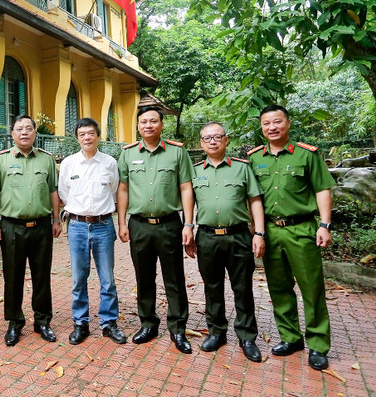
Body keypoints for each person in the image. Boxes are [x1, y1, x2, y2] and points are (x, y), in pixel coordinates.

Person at [248, 105, 335, 371]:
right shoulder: (254, 158)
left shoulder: (307, 154)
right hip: (270, 231)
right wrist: (256, 231)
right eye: (266, 123)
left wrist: (324, 225)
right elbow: (252, 197)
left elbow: (322, 189)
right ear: (261, 127)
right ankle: (290, 337)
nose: (272, 127)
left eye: (277, 122)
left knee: (311, 287)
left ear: (288, 123)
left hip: (301, 229)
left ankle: (318, 344)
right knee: (279, 287)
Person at [116, 105, 195, 353]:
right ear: (138, 126)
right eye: (143, 122)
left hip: (169, 224)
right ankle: (148, 324)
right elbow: (123, 189)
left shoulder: (177, 153)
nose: (148, 125)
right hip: (139, 225)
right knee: (144, 277)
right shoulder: (128, 154)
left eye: (153, 121)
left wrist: (188, 223)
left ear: (161, 125)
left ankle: (178, 328)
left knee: (174, 278)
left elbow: (186, 188)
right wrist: (122, 222)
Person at [188, 122, 265, 362]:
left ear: (226, 140)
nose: (212, 141)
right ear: (201, 143)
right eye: (207, 138)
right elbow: (187, 203)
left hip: (238, 235)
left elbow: (255, 200)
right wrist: (188, 229)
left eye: (217, 137)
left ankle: (247, 336)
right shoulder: (194, 171)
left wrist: (259, 233)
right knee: (212, 287)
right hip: (207, 236)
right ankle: (216, 332)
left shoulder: (242, 168)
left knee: (242, 287)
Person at [0, 114, 61, 347]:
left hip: (41, 226)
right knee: (13, 276)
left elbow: (53, 190)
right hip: (12, 226)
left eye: (29, 128)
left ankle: (42, 321)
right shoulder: (0, 160)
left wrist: (56, 219)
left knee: (42, 275)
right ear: (12, 134)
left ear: (35, 132)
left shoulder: (46, 159)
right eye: (19, 129)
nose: (24, 132)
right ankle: (14, 322)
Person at [58, 117, 126, 345]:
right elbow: (64, 193)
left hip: (103, 225)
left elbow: (115, 191)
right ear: (77, 138)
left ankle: (109, 323)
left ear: (98, 136)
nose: (87, 138)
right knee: (79, 278)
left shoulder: (109, 163)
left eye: (90, 133)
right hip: (77, 226)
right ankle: (81, 323)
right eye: (82, 134)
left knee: (107, 278)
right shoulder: (69, 163)